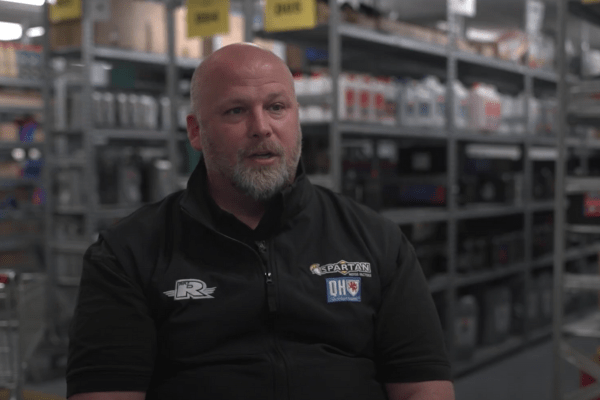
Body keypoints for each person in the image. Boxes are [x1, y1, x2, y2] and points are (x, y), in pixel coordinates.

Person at [66, 42, 455, 400]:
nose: (261, 127)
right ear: (196, 132)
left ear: (296, 120)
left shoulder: (377, 242)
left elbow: (423, 388)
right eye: (236, 110)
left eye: (276, 107)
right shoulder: (127, 255)